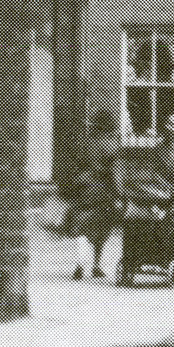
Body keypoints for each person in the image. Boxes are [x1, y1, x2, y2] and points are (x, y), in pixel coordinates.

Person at [68, 110, 123, 280]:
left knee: (81, 225)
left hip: (83, 187)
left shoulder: (86, 142)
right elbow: (115, 172)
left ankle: (79, 264)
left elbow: (76, 161)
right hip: (103, 190)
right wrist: (119, 193)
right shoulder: (112, 144)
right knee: (101, 228)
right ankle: (96, 265)